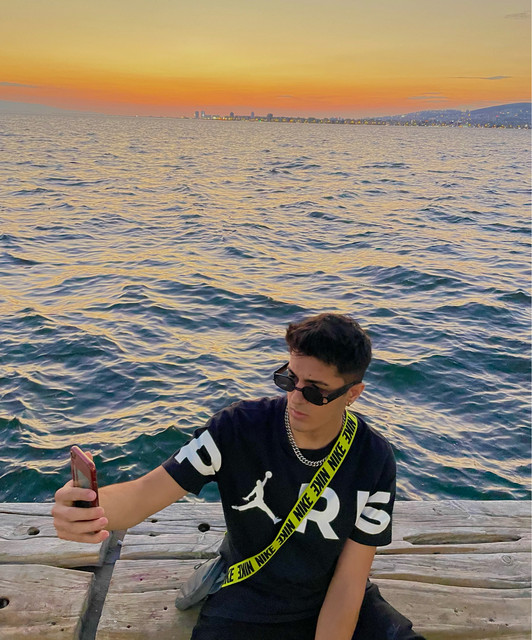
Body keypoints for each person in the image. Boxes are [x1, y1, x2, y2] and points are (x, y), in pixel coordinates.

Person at [52, 313, 425, 640]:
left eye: (315, 392)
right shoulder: (237, 429)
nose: (296, 398)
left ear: (353, 393)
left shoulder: (373, 459)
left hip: (333, 592)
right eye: (289, 379)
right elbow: (144, 494)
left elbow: (349, 582)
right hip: (249, 592)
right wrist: (89, 509)